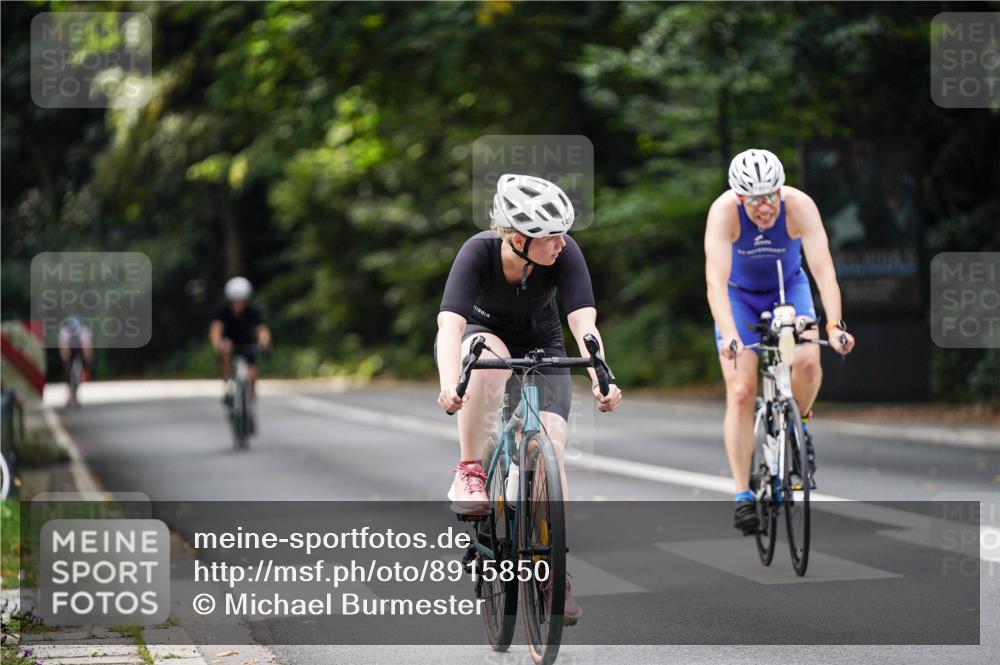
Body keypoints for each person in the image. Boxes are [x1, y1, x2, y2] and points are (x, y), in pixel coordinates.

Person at [436, 174, 623, 625]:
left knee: (552, 445)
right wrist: (449, 382)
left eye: (563, 233)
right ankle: (470, 470)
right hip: (485, 339)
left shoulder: (565, 252)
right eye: (551, 236)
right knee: (489, 363)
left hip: (544, 341)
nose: (561, 243)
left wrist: (601, 372)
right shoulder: (477, 252)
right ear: (518, 238)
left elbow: (583, 321)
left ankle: (550, 568)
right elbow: (450, 326)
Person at [704, 149, 856, 535]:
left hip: (789, 290)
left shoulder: (799, 205)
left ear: (781, 189)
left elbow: (823, 269)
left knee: (807, 362)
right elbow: (716, 283)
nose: (764, 206)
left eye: (770, 195)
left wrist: (835, 324)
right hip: (740, 298)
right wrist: (731, 336)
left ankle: (799, 426)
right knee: (740, 390)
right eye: (754, 200)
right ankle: (742, 494)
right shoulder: (724, 212)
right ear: (739, 198)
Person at [209, 277, 272, 402]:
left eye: (241, 301)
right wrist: (217, 345)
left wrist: (264, 342)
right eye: (234, 301)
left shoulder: (253, 310)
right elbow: (216, 329)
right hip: (229, 341)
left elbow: (262, 329)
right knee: (226, 350)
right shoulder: (223, 310)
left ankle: (251, 402)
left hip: (247, 343)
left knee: (252, 373)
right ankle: (228, 386)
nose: (238, 304)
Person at [58, 315, 93, 408]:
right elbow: (63, 347)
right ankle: (69, 394)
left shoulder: (84, 331)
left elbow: (87, 347)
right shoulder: (65, 331)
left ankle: (78, 383)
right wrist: (66, 362)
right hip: (70, 349)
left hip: (79, 349)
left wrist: (87, 362)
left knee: (81, 369)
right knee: (67, 371)